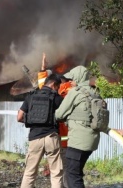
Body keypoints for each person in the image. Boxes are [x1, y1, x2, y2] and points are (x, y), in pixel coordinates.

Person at [55, 65, 106, 188]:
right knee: (76, 173)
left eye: (71, 79)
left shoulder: (75, 93)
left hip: (78, 141)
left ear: (78, 79)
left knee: (72, 175)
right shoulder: (95, 93)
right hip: (92, 141)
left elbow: (59, 114)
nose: (69, 82)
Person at [17, 73, 64, 188]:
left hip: (35, 138)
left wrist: (32, 120)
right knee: (56, 173)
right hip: (51, 138)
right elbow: (64, 116)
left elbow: (19, 117)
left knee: (29, 172)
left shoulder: (31, 96)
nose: (58, 89)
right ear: (53, 84)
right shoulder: (57, 98)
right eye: (57, 87)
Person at [37, 53, 73, 188]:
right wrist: (42, 69)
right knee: (61, 171)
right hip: (59, 139)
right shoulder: (67, 90)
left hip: (63, 140)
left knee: (63, 172)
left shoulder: (66, 91)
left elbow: (43, 88)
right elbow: (44, 88)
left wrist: (43, 70)